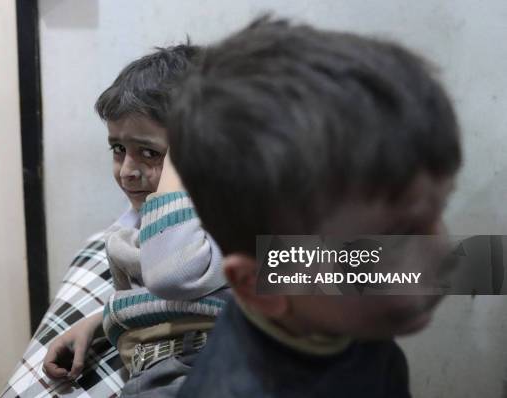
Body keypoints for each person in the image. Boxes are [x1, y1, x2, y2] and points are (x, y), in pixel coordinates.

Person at [167, 17, 461, 397]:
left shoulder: (331, 310)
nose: (443, 253)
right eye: (397, 236)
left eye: (441, 208)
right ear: (261, 286)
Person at [42, 44, 228, 398]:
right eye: (118, 150)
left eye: (151, 153)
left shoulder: (232, 215)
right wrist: (100, 321)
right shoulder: (133, 229)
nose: (127, 172)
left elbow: (173, 274)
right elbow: (160, 296)